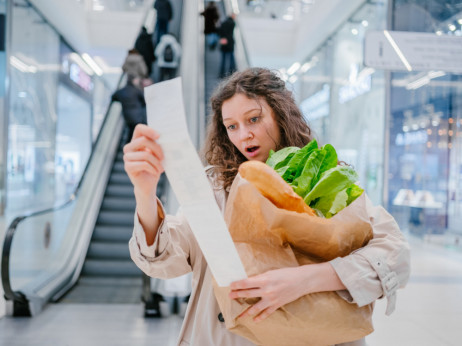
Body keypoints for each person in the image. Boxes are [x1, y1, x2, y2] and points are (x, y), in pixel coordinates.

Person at [124, 68, 410, 345]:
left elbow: (394, 255)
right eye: (232, 126)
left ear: (281, 114)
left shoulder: (325, 177)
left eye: (254, 119)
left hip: (312, 336)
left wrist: (306, 279)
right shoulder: (215, 188)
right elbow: (166, 259)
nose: (243, 134)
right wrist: (145, 193)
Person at [111, 75, 147, 143]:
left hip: (127, 117)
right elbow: (144, 101)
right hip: (137, 116)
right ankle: (138, 145)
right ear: (133, 80)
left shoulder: (121, 91)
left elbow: (113, 97)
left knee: (131, 131)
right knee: (138, 130)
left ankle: (128, 145)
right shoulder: (136, 90)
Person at [218, 13, 236, 78]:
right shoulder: (232, 23)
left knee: (223, 59)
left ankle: (221, 73)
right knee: (231, 59)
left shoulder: (223, 23)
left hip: (224, 43)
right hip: (230, 44)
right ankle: (232, 72)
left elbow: (220, 32)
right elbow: (230, 33)